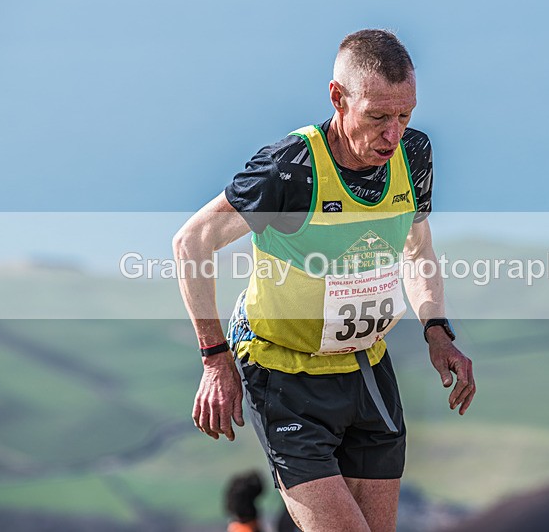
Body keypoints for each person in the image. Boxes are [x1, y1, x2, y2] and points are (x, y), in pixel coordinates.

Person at [173, 29, 475, 532]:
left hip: (366, 371)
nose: (393, 134)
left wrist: (437, 332)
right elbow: (191, 242)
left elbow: (417, 249)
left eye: (405, 115)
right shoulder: (290, 170)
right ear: (337, 98)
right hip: (283, 373)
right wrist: (214, 358)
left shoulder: (413, 155)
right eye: (377, 117)